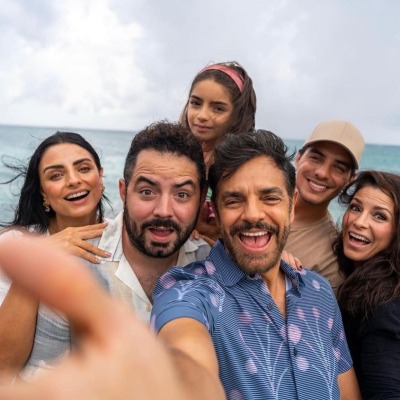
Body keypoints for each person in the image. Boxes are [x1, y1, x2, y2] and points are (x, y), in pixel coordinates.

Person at [151, 130, 360, 399]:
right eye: (234, 200)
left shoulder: (318, 291)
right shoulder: (189, 292)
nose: (252, 214)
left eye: (270, 197)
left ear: (292, 205)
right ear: (215, 210)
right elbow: (185, 350)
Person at [10, 121, 210, 380]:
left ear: (201, 198)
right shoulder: (71, 268)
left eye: (182, 195)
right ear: (123, 192)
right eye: (147, 192)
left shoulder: (210, 265)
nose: (163, 210)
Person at [0, 131, 110, 383]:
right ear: (42, 193)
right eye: (56, 175)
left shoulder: (124, 240)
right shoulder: (16, 245)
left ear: (100, 177)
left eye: (83, 168)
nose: (73, 180)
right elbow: (4, 365)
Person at [335, 170, 400, 399]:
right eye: (355, 207)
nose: (359, 222)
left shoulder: (382, 307)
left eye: (380, 216)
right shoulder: (362, 281)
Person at [180, 61, 257, 244]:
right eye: (196, 103)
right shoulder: (179, 155)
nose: (203, 115)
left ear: (237, 116)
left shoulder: (239, 169)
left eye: (218, 108)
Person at [285, 120, 365, 291]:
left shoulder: (331, 261)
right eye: (315, 158)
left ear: (350, 179)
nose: (322, 173)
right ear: (298, 158)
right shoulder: (255, 201)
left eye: (338, 168)